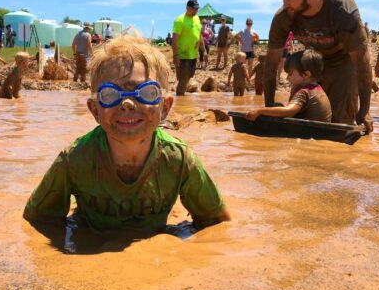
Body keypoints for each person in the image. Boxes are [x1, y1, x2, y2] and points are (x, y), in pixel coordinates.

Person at [23, 35, 230, 242]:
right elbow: (38, 222)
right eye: (110, 94)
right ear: (95, 110)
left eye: (147, 93)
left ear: (164, 108)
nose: (128, 104)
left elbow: (216, 224)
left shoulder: (179, 160)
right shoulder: (75, 159)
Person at [264, 0, 373, 132]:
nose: (285, 4)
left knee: (341, 124)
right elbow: (271, 64)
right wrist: (269, 105)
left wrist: (365, 110)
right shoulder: (283, 16)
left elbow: (362, 62)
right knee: (308, 118)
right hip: (313, 62)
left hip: (344, 60)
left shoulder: (342, 10)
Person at [247, 49, 331, 122]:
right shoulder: (318, 88)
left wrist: (259, 111)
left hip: (309, 133)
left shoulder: (303, 92)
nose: (287, 78)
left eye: (290, 74)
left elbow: (289, 111)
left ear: (306, 74)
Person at [172, 0, 204, 96]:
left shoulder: (197, 18)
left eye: (197, 9)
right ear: (187, 8)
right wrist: (175, 55)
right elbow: (175, 39)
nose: (196, 11)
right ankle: (180, 103)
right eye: (194, 9)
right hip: (183, 55)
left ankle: (181, 100)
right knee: (183, 80)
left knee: (188, 78)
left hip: (193, 55)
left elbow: (199, 35)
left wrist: (204, 50)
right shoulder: (180, 20)